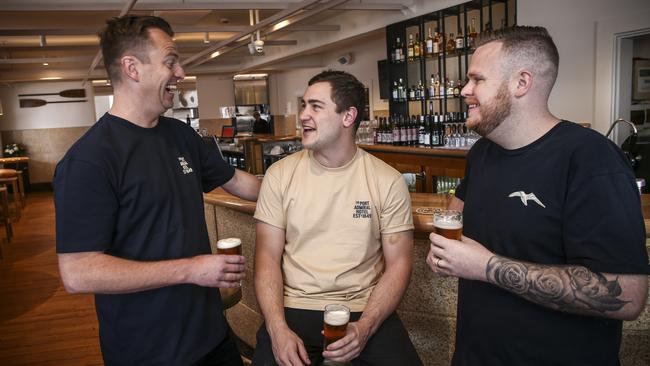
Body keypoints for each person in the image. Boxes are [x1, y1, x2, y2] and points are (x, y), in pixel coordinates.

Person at [426, 26, 649, 365]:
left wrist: (485, 266)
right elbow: (458, 220)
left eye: (477, 80)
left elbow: (628, 296)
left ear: (521, 82)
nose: (464, 90)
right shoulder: (482, 153)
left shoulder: (592, 159)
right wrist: (446, 249)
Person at [53, 15, 261, 366]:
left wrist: (308, 183)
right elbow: (78, 272)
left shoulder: (181, 136)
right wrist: (191, 270)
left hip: (210, 334)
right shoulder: (89, 160)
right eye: (170, 61)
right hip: (147, 350)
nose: (180, 73)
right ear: (132, 68)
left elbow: (241, 183)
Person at [252, 70, 422, 366]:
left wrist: (365, 327)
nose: (303, 115)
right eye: (304, 106)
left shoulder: (388, 181)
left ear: (348, 116)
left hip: (361, 308)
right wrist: (277, 328)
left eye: (315, 107)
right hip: (293, 308)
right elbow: (266, 258)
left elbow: (399, 265)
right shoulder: (279, 175)